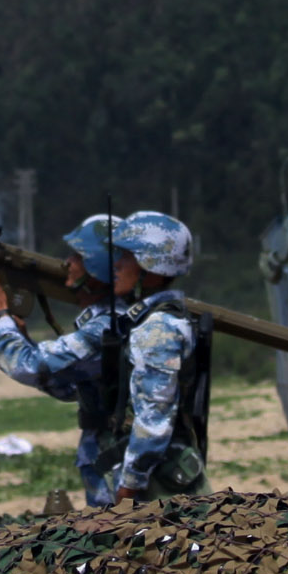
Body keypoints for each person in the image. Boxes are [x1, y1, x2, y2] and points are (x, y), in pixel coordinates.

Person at [0, 212, 128, 502]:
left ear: (98, 266)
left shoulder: (110, 325)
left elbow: (28, 366)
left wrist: (1, 316)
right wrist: (23, 339)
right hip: (109, 457)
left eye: (78, 256)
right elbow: (71, 385)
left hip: (121, 464)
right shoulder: (106, 321)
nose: (67, 263)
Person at [104, 211, 214, 501]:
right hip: (160, 476)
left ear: (149, 269)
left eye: (126, 257)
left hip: (158, 486)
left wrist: (131, 482)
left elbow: (154, 416)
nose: (116, 265)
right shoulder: (156, 320)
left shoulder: (157, 328)